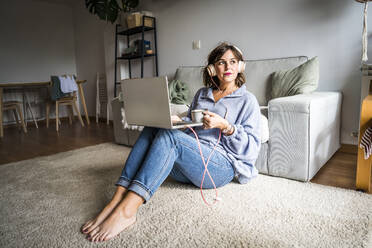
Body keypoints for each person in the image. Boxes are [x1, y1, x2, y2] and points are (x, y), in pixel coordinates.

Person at [81, 42, 261, 242]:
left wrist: (226, 126)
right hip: (190, 164)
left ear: (241, 66)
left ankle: (127, 211)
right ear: (212, 69)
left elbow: (252, 149)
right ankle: (116, 199)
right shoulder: (202, 94)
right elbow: (192, 124)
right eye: (221, 62)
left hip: (219, 168)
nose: (228, 68)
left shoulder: (248, 101)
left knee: (170, 138)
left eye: (233, 62)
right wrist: (177, 121)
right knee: (155, 126)